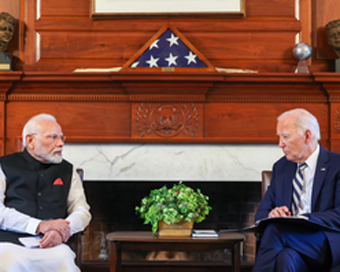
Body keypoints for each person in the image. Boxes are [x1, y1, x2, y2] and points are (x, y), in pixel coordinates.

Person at [0, 113, 91, 272]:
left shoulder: (68, 171)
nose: (61, 144)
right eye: (53, 137)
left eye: (62, 138)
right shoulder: (4, 166)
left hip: (53, 245)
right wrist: (39, 225)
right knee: (9, 259)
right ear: (30, 140)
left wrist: (62, 232)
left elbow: (82, 211)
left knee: (65, 257)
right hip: (10, 244)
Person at [253, 108, 340, 272]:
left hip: (326, 243)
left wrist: (300, 219)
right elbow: (261, 214)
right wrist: (272, 214)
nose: (280, 144)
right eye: (279, 137)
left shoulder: (337, 165)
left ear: (307, 136)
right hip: (289, 242)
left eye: (285, 137)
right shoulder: (281, 167)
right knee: (285, 258)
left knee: (276, 230)